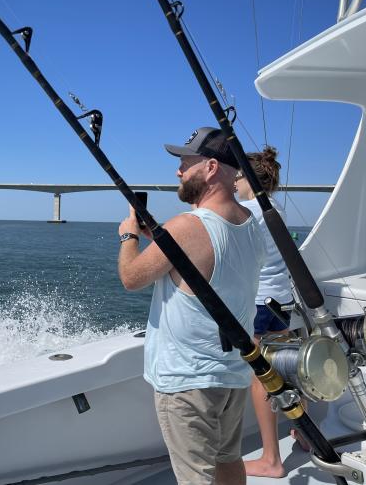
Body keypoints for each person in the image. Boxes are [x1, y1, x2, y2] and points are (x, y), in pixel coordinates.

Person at [118, 127, 265, 485]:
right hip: (232, 374)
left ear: (211, 167)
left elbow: (132, 278)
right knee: (229, 459)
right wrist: (163, 241)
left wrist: (129, 236)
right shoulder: (251, 224)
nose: (178, 171)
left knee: (196, 477)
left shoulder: (186, 227)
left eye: (185, 163)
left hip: (189, 382)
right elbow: (209, 261)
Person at [235, 147, 302, 479]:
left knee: (262, 374)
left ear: (247, 177)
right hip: (282, 300)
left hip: (261, 303)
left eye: (235, 175)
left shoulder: (247, 209)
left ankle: (271, 459)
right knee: (287, 368)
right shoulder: (274, 207)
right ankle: (304, 434)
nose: (232, 182)